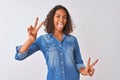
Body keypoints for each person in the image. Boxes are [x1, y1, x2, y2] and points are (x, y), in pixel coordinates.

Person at [15, 5, 98, 80]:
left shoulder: (73, 40)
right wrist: (30, 40)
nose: (61, 20)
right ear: (52, 18)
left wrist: (83, 70)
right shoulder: (43, 40)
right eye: (58, 16)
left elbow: (78, 63)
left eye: (64, 17)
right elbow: (19, 56)